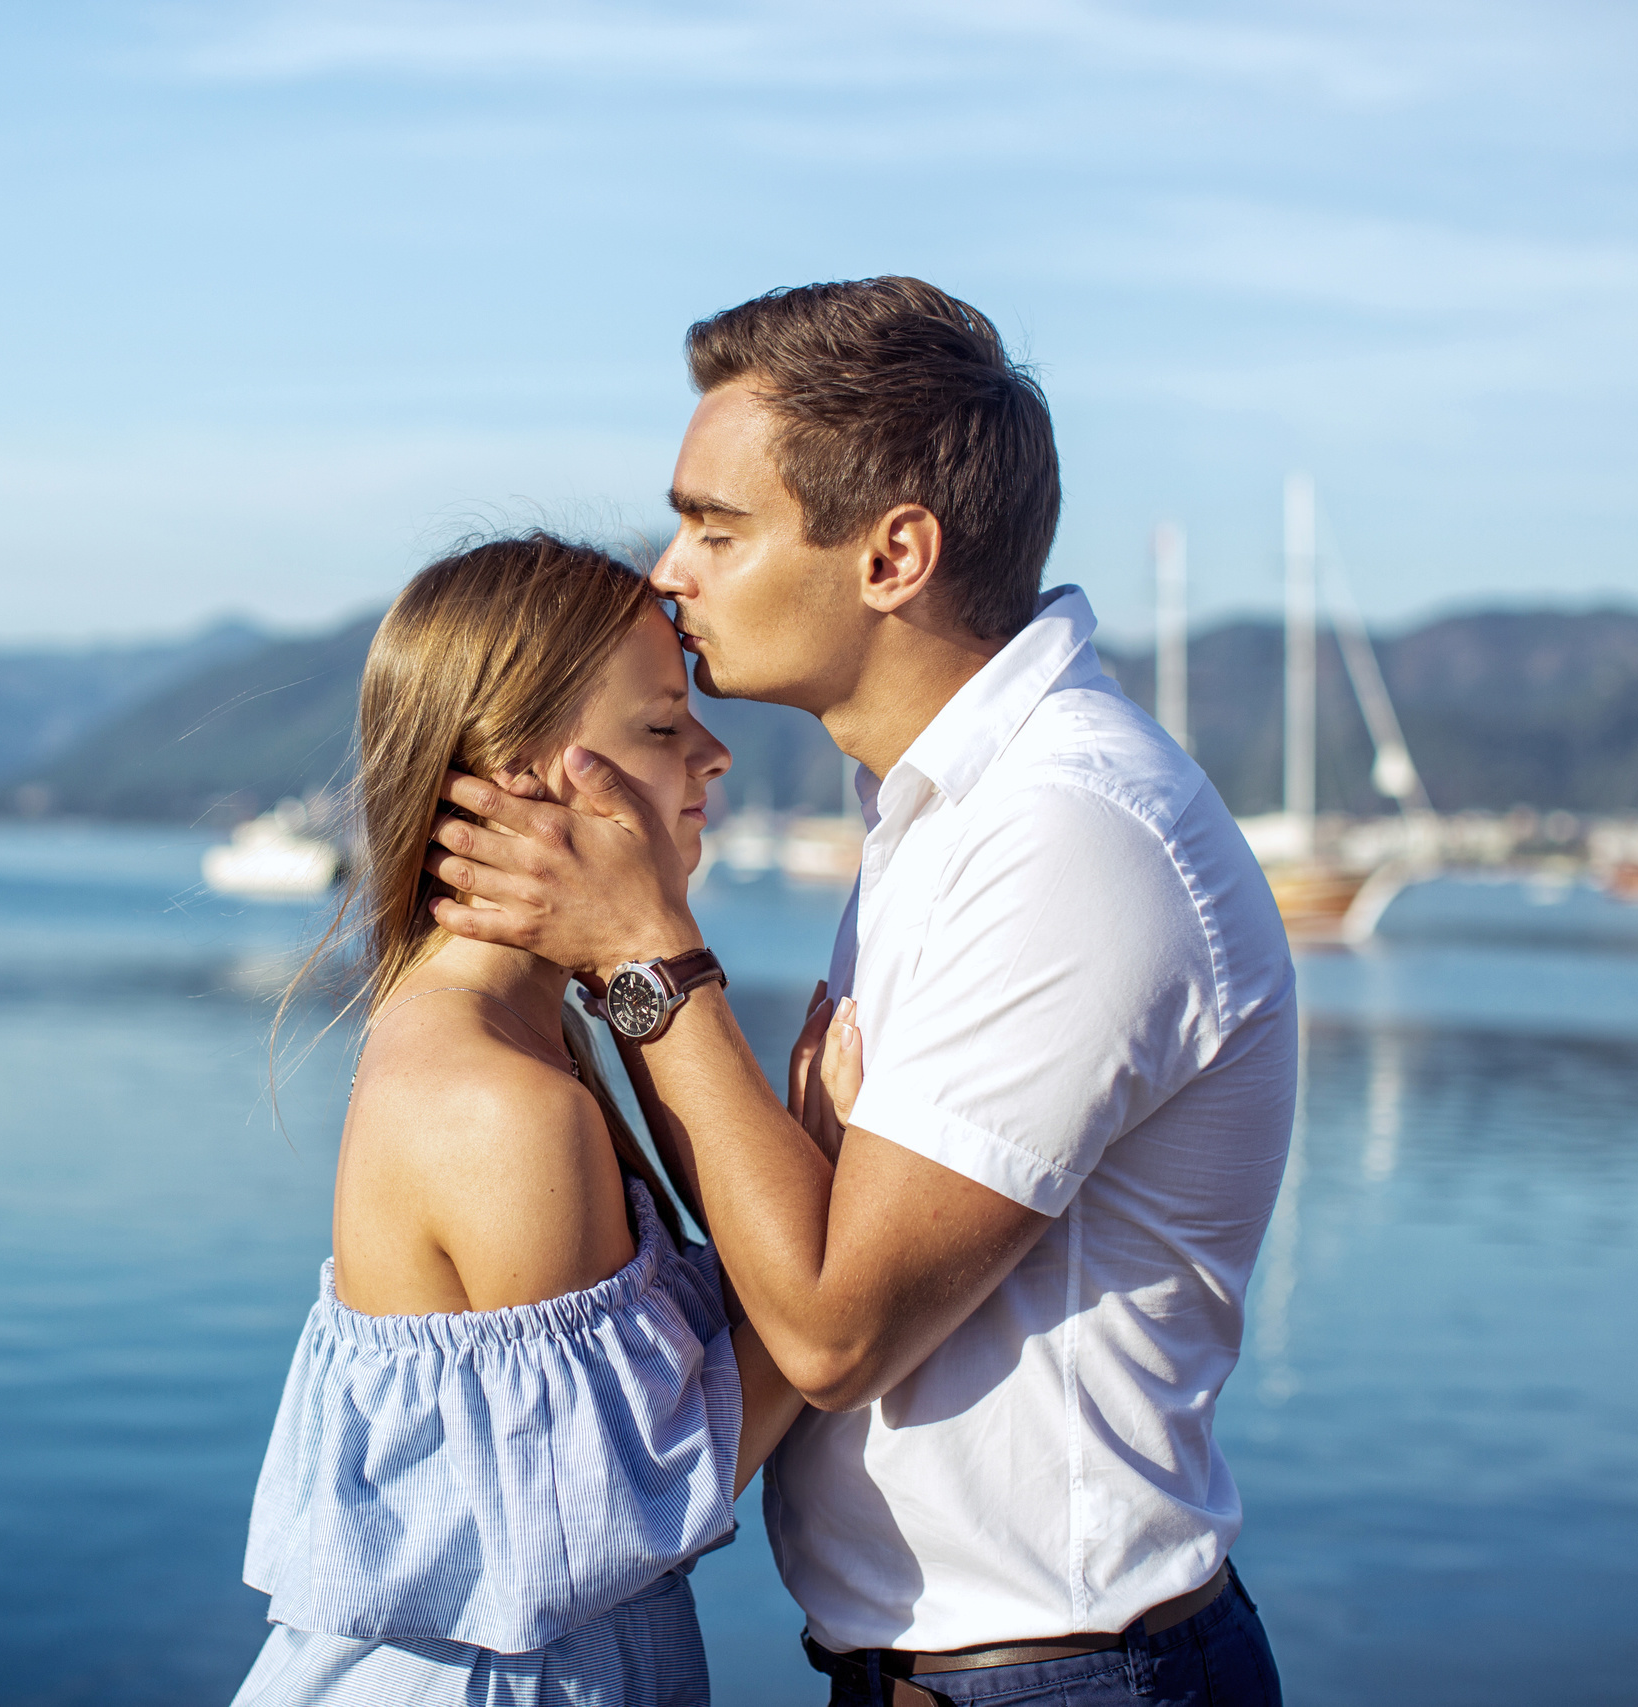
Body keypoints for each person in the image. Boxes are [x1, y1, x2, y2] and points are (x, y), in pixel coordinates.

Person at [424, 278, 1297, 1707]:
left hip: (1058, 1677)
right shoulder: (943, 815)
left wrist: (644, 955)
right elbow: (803, 1252)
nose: (669, 569)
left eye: (718, 526)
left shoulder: (1064, 834)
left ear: (893, 553)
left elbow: (831, 1326)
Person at [234, 532, 862, 1707]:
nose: (714, 757)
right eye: (663, 728)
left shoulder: (512, 1035)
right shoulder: (502, 1102)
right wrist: (836, 1183)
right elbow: (625, 1503)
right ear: (527, 776)